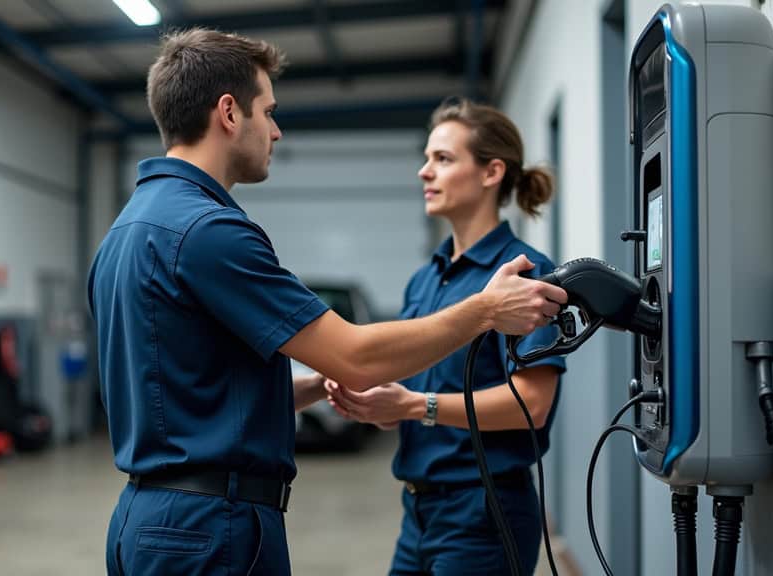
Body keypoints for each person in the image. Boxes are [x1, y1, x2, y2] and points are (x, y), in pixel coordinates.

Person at [87, 29, 567, 576]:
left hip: (148, 520)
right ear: (228, 113)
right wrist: (480, 313)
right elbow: (358, 355)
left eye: (442, 157)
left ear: (492, 173)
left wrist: (322, 386)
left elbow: (196, 387)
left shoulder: (123, 234)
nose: (276, 129)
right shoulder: (208, 230)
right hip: (208, 527)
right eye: (267, 112)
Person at [326, 98, 565, 575]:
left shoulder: (523, 274)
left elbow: (532, 404)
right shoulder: (427, 278)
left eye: (443, 159)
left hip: (484, 513)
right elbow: (419, 383)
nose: (424, 172)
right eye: (426, 157)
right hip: (418, 511)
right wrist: (383, 407)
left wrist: (416, 406)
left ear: (491, 172)